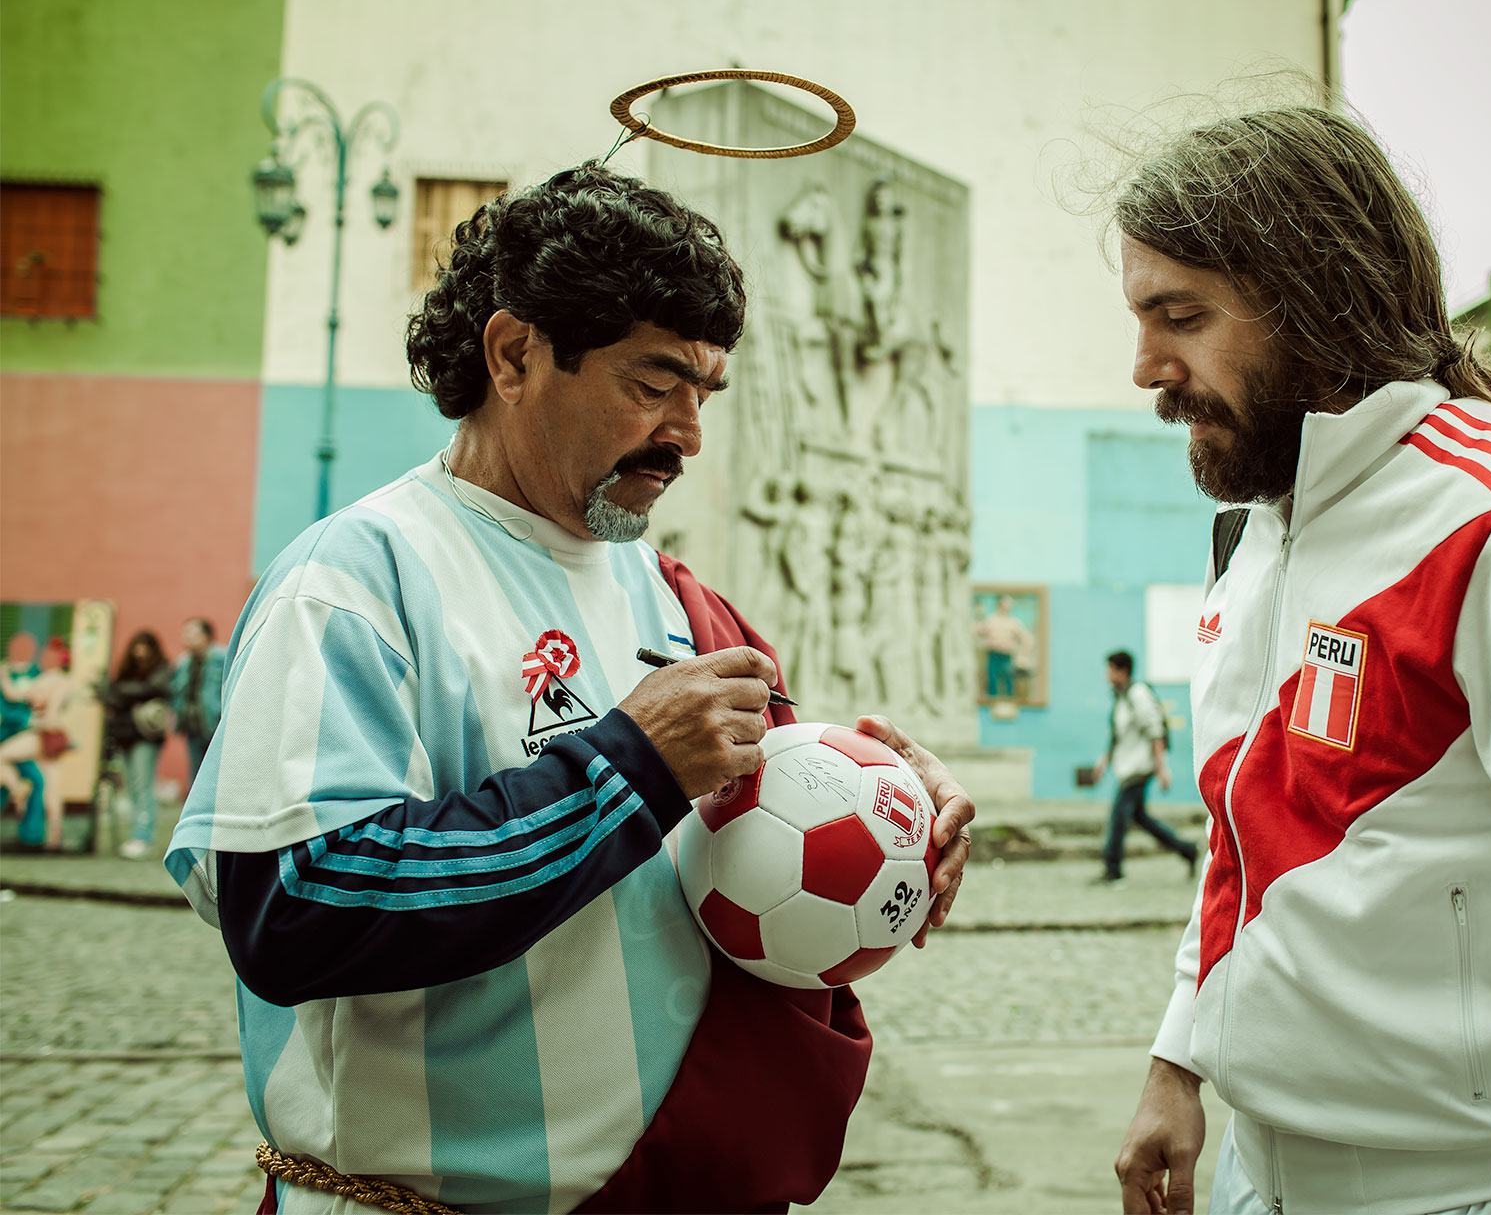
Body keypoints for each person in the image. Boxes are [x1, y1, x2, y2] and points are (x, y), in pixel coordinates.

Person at [163, 164, 974, 1215]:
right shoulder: (357, 578)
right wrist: (624, 769)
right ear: (514, 354)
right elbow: (299, 907)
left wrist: (900, 816)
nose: (686, 432)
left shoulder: (682, 599)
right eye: (653, 382)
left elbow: (774, 835)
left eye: (705, 393)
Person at [1109, 104, 1491, 1214]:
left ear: (1311, 295)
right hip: (1258, 1171)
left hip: (1464, 1188)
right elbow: (1243, 835)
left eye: (1181, 315)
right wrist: (1180, 1058)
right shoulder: (1263, 522)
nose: (1147, 364)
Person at [1093, 649, 1197, 883]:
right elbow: (1117, 735)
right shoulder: (1120, 696)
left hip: (1139, 768)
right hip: (1128, 767)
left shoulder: (1138, 694)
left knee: (1118, 817)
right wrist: (1104, 762)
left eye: (1110, 669)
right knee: (1141, 818)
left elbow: (1155, 730)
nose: (1106, 674)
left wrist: (1162, 768)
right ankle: (1187, 850)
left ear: (1122, 671)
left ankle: (1113, 869)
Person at [98, 629, 173, 860]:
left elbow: (153, 689)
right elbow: (110, 696)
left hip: (146, 736)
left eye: (145, 647)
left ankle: (143, 836)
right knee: (130, 787)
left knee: (143, 786)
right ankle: (136, 835)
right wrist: (126, 693)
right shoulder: (125, 669)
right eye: (137, 646)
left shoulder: (161, 668)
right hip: (124, 734)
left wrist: (121, 692)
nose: (140, 652)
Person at [0, 636, 77, 852]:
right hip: (58, 735)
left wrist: (4, 673)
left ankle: (17, 791)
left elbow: (13, 694)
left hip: (42, 733)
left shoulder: (44, 680)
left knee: (2, 756)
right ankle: (55, 835)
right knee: (51, 785)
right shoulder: (66, 681)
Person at [0, 631, 48, 846]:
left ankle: (32, 835)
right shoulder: (3, 672)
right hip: (5, 734)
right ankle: (17, 790)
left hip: (25, 738)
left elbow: (42, 702)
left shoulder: (37, 672)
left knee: (37, 781)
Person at [170, 617, 225, 786]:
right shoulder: (183, 662)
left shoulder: (221, 658)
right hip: (193, 727)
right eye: (185, 633)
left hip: (216, 725)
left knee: (218, 774)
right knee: (196, 777)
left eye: (192, 633)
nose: (186, 637)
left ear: (206, 636)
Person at [975, 593, 1033, 699]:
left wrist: (1022, 656)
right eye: (1007, 602)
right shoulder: (990, 620)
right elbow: (978, 632)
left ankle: (1009, 701)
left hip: (1007, 657)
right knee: (992, 682)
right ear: (1000, 603)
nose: (1009, 605)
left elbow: (1026, 639)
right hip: (993, 655)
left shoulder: (1013, 622)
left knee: (1009, 683)